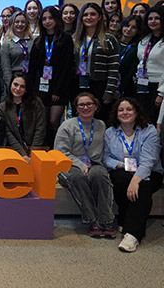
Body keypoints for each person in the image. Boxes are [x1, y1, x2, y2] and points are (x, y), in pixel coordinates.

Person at [103, 98, 163, 252]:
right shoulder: (110, 132)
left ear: (136, 112)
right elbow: (106, 157)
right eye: (121, 110)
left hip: (150, 171)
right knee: (120, 179)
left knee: (143, 186)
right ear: (116, 114)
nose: (125, 113)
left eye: (129, 109)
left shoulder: (149, 131)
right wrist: (123, 166)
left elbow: (149, 160)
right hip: (122, 169)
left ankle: (133, 234)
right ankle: (124, 217)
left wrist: (135, 180)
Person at [54, 92, 115, 238]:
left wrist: (93, 166)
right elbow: (60, 152)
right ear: (76, 108)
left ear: (96, 106)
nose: (85, 107)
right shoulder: (67, 125)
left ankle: (106, 220)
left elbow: (103, 150)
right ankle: (92, 221)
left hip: (94, 164)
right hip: (69, 165)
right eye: (81, 105)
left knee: (100, 175)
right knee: (77, 178)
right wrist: (82, 166)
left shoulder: (101, 125)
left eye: (89, 104)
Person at [28, 6, 74, 147]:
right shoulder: (39, 40)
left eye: (50, 18)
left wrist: (57, 90)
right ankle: (42, 149)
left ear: (57, 19)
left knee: (53, 121)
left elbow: (66, 67)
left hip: (59, 88)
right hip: (41, 87)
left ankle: (54, 148)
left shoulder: (65, 39)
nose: (47, 21)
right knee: (42, 121)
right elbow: (33, 67)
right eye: (44, 19)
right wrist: (32, 89)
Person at [73, 2, 119, 121]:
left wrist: (109, 92)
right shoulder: (75, 39)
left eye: (93, 14)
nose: (89, 17)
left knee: (99, 121)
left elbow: (113, 69)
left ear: (99, 17)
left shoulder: (109, 39)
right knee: (79, 121)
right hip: (78, 85)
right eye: (85, 15)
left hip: (100, 86)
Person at [0, 73, 46, 160]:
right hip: (15, 150)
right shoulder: (3, 107)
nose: (18, 89)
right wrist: (22, 154)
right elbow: (8, 133)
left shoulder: (36, 103)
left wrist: (33, 155)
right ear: (10, 85)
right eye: (15, 84)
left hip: (36, 149)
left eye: (22, 86)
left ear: (26, 89)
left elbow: (40, 129)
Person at [136, 6, 164, 125]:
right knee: (142, 118)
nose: (153, 21)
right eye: (150, 18)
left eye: (157, 18)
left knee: (154, 121)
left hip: (158, 85)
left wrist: (161, 93)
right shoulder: (145, 39)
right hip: (142, 83)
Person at [0, 10, 34, 89]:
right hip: (14, 81)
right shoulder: (7, 44)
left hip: (30, 79)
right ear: (12, 24)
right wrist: (10, 86)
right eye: (17, 22)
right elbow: (6, 69)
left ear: (27, 24)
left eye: (23, 22)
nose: (20, 24)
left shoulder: (32, 41)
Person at [116, 15, 141, 98]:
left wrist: (119, 89)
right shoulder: (113, 41)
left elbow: (130, 72)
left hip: (123, 88)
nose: (129, 29)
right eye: (127, 26)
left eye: (133, 27)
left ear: (137, 31)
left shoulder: (136, 48)